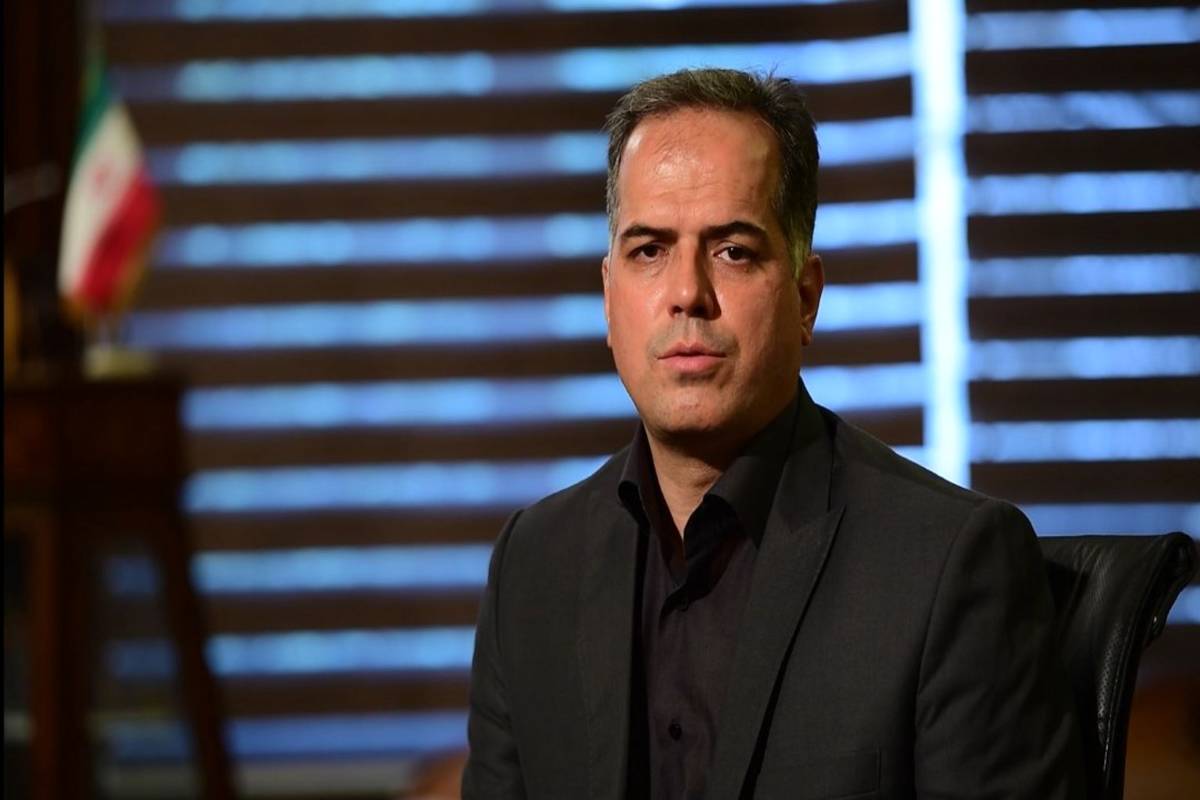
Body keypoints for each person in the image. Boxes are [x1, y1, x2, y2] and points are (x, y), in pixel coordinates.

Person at [462, 68, 1084, 799]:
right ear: (608, 299)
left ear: (805, 297)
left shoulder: (950, 564)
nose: (687, 293)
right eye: (649, 250)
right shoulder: (533, 565)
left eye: (733, 250)